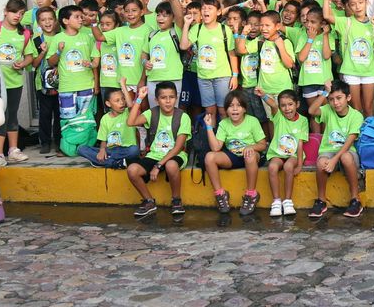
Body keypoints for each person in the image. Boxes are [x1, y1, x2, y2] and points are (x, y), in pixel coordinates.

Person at [125, 82, 189, 218]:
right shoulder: (151, 113)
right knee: (132, 170)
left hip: (175, 155)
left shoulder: (183, 117)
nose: (167, 101)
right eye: (163, 97)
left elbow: (178, 148)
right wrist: (139, 99)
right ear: (156, 100)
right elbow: (130, 122)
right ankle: (149, 202)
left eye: (171, 97)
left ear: (176, 98)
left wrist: (158, 165)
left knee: (171, 165)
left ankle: (176, 200)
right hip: (154, 155)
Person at [46, 5, 100, 157]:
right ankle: (68, 148)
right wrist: (59, 51)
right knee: (68, 120)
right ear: (65, 20)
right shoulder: (58, 38)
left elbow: (95, 60)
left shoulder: (87, 36)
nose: (81, 19)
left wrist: (92, 67)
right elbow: (51, 62)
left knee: (86, 120)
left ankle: (85, 148)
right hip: (66, 87)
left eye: (81, 16)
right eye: (76, 16)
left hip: (86, 85)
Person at [204, 90, 267, 216]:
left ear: (244, 109)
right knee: (209, 157)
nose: (235, 109)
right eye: (231, 106)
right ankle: (220, 194)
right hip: (232, 156)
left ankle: (251, 195)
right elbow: (216, 148)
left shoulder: (252, 121)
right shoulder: (223, 123)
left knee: (249, 156)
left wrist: (251, 147)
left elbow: (263, 144)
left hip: (251, 157)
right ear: (226, 110)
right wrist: (209, 127)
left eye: (238, 105)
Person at [179, 0, 239, 127]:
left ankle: (224, 140)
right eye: (204, 8)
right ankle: (212, 141)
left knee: (224, 110)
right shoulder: (197, 29)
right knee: (209, 111)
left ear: (218, 12)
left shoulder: (224, 30)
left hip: (222, 77)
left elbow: (232, 54)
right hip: (203, 78)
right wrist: (186, 25)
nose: (206, 10)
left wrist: (235, 76)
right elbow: (184, 46)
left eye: (210, 8)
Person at [0, 0, 35, 169]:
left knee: (12, 115)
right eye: (14, 12)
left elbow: (29, 55)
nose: (17, 16)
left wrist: (23, 63)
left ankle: (13, 150)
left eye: (21, 13)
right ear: (5, 11)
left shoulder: (23, 34)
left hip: (14, 81)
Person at [323, 0, 374, 117]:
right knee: (355, 108)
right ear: (348, 6)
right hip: (350, 71)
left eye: (360, 2)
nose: (357, 7)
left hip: (369, 71)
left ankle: (368, 136)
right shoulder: (346, 22)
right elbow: (326, 16)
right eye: (353, 4)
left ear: (367, 2)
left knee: (369, 108)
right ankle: (356, 136)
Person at [310, 80, 364, 219]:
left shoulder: (356, 115)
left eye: (339, 98)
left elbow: (349, 141)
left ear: (348, 98)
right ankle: (321, 200)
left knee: (345, 157)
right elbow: (312, 111)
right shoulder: (328, 110)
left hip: (347, 152)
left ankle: (355, 199)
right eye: (332, 99)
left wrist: (335, 159)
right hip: (329, 150)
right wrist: (324, 93)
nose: (336, 103)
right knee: (321, 162)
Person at [262, 89, 308, 218]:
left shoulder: (303, 120)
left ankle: (288, 201)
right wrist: (263, 95)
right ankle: (276, 201)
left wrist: (299, 164)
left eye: (290, 104)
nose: (287, 108)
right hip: (277, 153)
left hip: (293, 154)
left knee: (288, 166)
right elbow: (272, 105)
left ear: (297, 104)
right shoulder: (278, 116)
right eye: (283, 105)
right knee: (272, 167)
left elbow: (300, 143)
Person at [77, 82, 141, 169]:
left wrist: (123, 86)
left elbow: (130, 105)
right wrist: (102, 150)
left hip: (127, 149)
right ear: (108, 104)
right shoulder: (105, 118)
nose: (122, 102)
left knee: (134, 150)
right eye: (117, 100)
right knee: (81, 149)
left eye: (123, 99)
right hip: (110, 150)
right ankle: (118, 162)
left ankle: (106, 162)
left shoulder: (128, 113)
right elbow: (103, 140)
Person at [142, 1, 185, 108]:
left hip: (173, 79)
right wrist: (144, 62)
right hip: (153, 79)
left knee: (172, 111)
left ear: (173, 18)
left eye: (165, 15)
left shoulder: (176, 32)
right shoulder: (152, 35)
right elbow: (144, 53)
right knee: (155, 111)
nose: (160, 18)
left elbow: (180, 16)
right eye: (158, 15)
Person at [31, 8, 61, 154]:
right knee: (45, 114)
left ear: (55, 20)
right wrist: (42, 51)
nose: (47, 22)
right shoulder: (37, 39)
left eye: (50, 19)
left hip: (62, 83)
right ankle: (45, 142)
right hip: (41, 84)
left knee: (60, 112)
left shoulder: (61, 37)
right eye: (43, 20)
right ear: (38, 23)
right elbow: (34, 64)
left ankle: (59, 141)